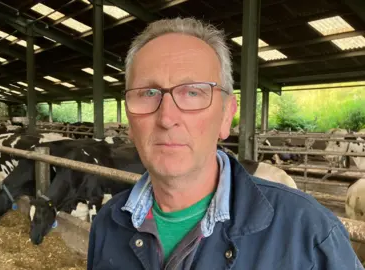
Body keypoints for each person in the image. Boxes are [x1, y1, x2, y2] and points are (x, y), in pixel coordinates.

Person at [86, 17, 362, 270]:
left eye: (193, 92)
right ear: (129, 119)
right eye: (148, 93)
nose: (167, 117)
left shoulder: (309, 233)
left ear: (226, 116)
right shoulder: (107, 223)